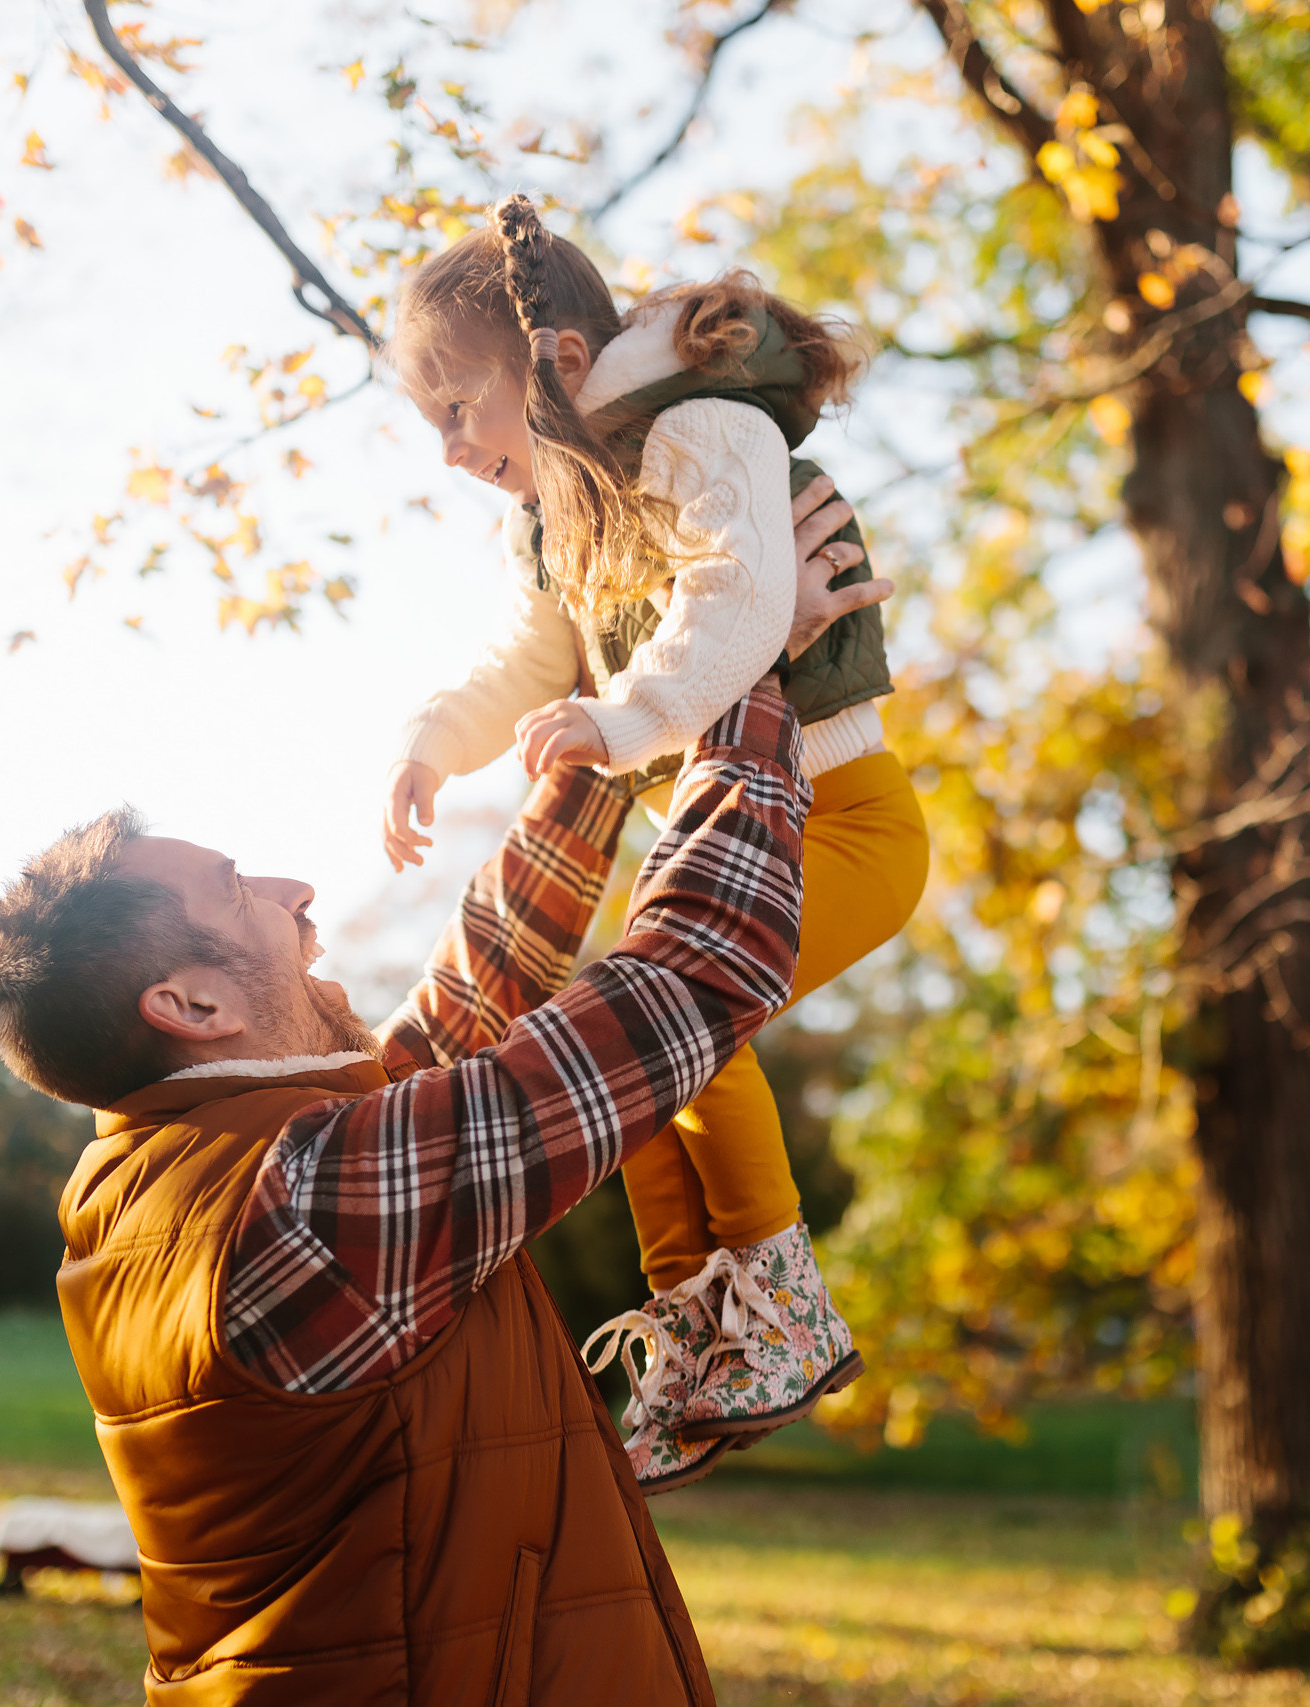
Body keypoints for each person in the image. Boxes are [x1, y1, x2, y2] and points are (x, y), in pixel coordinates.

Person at [0, 528, 885, 1706]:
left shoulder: (203, 1173)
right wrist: (739, 664)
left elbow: (476, 994)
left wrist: (616, 719)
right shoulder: (297, 1209)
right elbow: (693, 973)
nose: (294, 891)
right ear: (188, 1004)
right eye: (237, 889)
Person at [377, 195, 931, 1490]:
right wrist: (431, 742)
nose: (452, 448)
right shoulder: (558, 513)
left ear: (561, 364)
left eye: (462, 406)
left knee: (682, 1024)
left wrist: (626, 717)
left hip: (841, 822)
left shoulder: (701, 428)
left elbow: (739, 598)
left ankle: (780, 1316)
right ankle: (698, 1333)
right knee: (628, 1049)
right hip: (729, 834)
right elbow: (530, 655)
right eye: (432, 424)